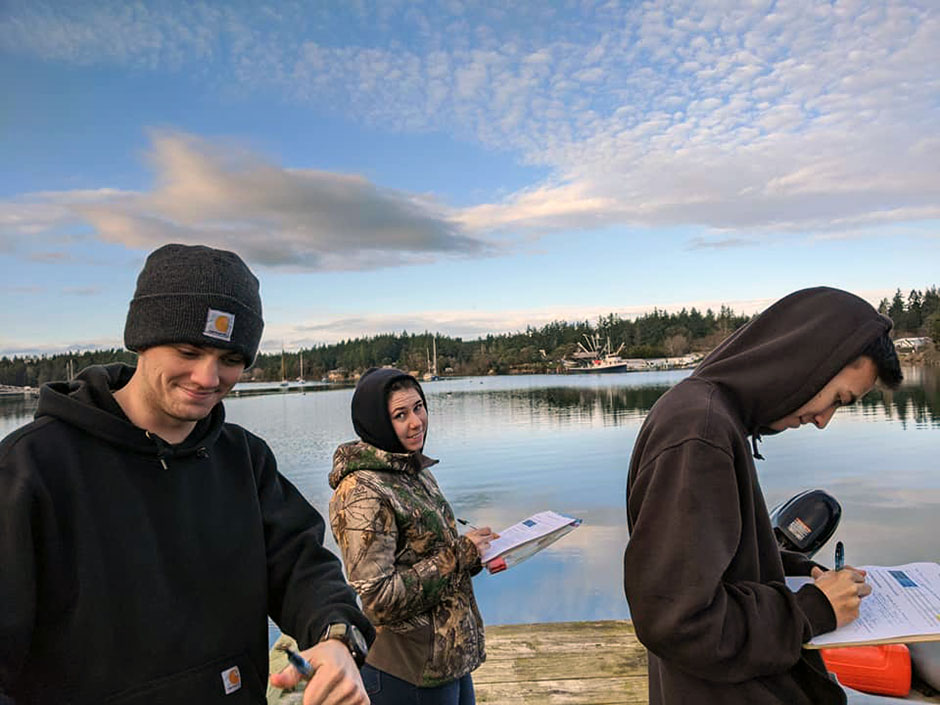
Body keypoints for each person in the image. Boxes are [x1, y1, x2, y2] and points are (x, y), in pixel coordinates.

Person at [0, 244, 374, 705]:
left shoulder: (244, 458)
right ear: (141, 340)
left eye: (231, 359)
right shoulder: (28, 469)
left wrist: (337, 637)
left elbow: (303, 568)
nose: (207, 377)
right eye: (188, 350)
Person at [623, 286, 904, 705]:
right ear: (809, 362)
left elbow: (703, 564)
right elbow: (677, 621)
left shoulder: (709, 414)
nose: (824, 421)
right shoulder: (700, 432)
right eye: (838, 399)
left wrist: (790, 568)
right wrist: (813, 610)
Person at [328, 367, 496, 704]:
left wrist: (476, 554)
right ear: (376, 421)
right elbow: (378, 599)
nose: (416, 422)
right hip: (406, 673)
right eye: (400, 415)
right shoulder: (361, 492)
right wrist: (460, 555)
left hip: (448, 660)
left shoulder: (410, 469)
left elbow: (427, 555)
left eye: (418, 407)